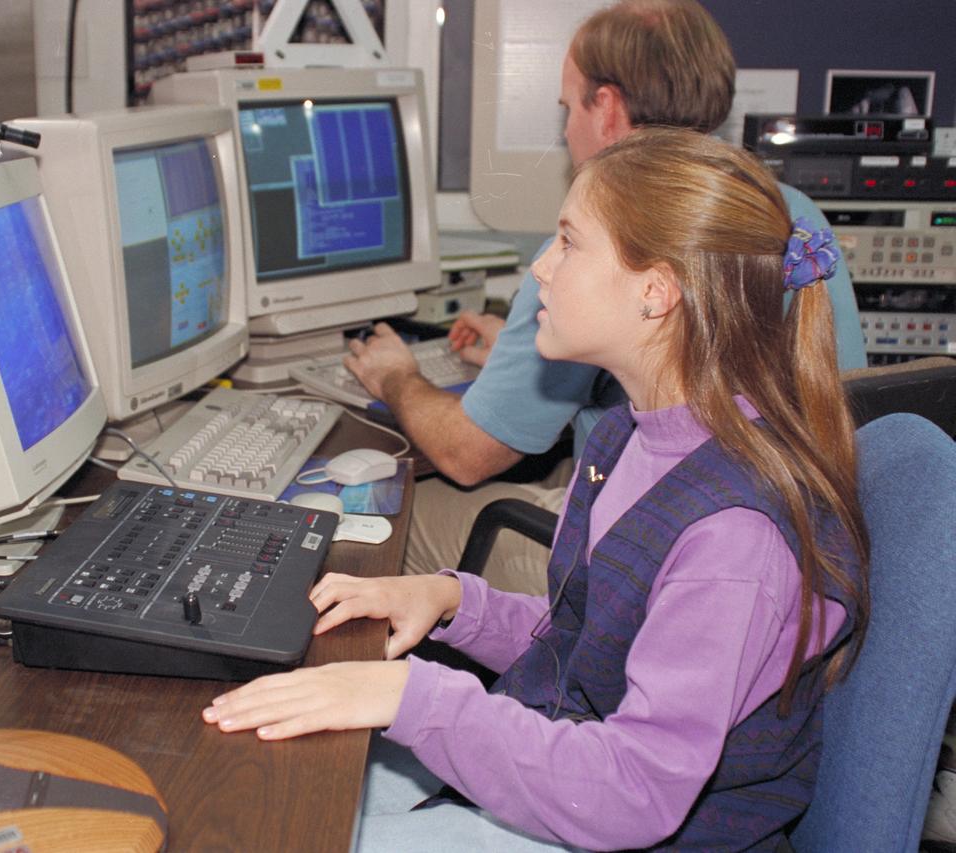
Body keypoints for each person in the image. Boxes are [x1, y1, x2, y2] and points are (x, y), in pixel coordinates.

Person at [202, 127, 871, 851]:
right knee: (277, 776)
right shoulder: (628, 436)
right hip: (577, 766)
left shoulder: (733, 537)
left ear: (656, 292)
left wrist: (412, 694)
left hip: (621, 814)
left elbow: (637, 790)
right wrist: (455, 600)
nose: (540, 269)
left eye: (568, 242)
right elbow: (591, 644)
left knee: (287, 826)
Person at [345, 0, 867, 597]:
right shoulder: (789, 215)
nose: (565, 128)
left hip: (647, 557)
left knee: (380, 520)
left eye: (568, 107)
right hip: (790, 539)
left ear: (608, 107)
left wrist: (397, 378)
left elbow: (466, 454)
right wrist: (523, 351)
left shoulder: (608, 248)